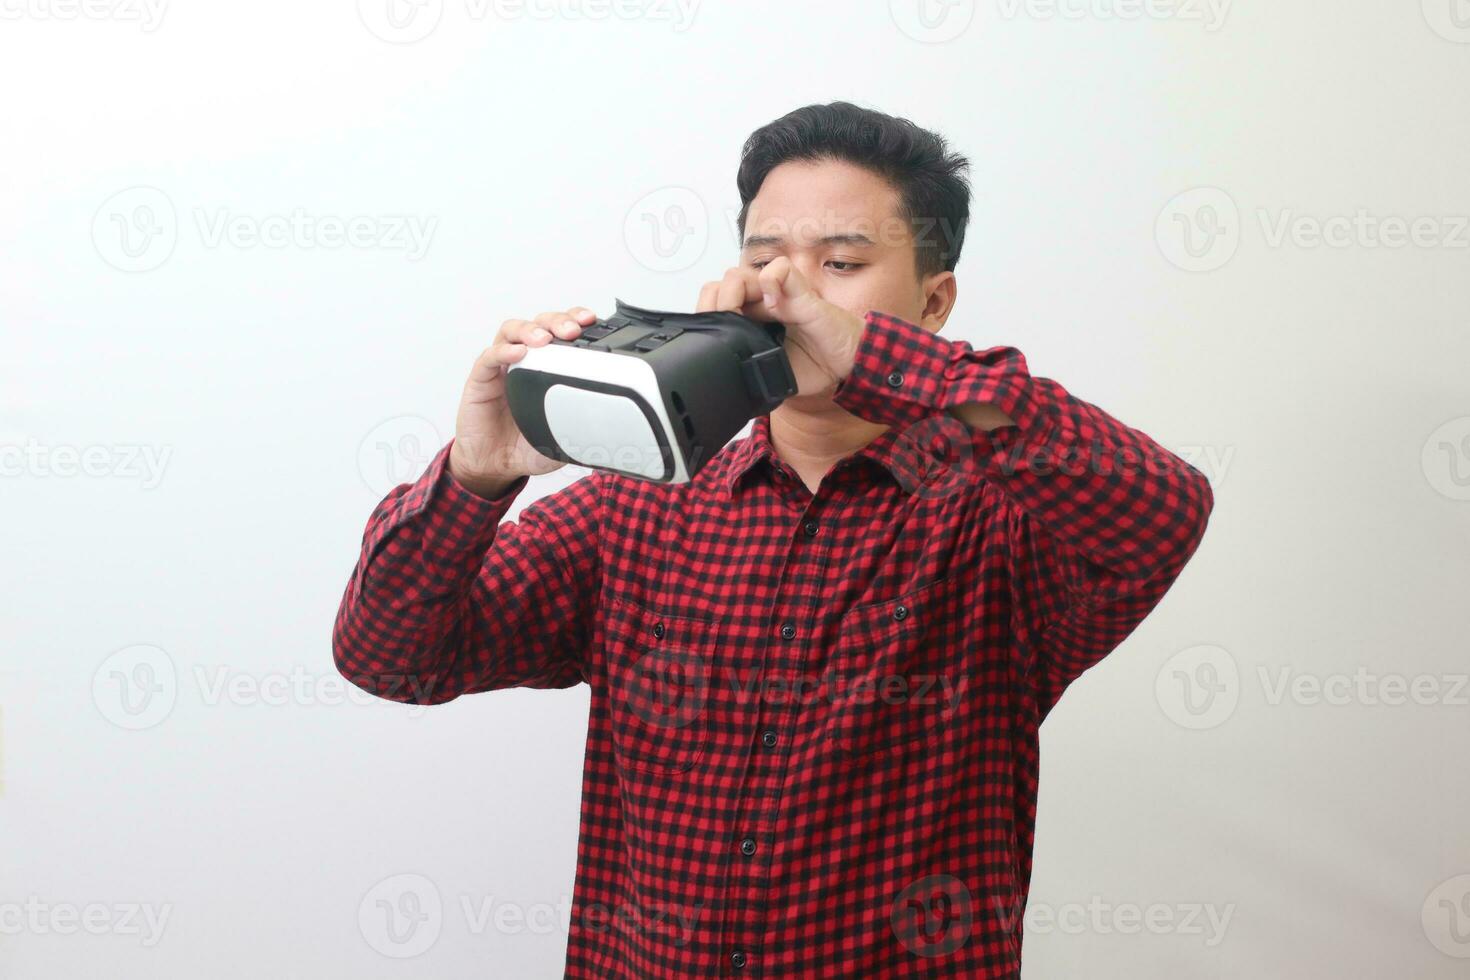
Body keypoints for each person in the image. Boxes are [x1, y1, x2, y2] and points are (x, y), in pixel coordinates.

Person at [333, 100, 1214, 978]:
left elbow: (1163, 509)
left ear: (934, 299)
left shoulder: (1002, 518)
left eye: (841, 263)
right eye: (764, 259)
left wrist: (872, 359)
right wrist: (474, 477)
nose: (785, 292)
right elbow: (392, 657)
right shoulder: (638, 509)